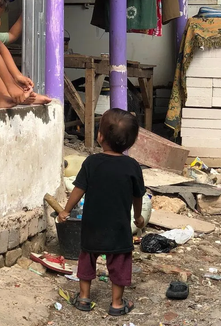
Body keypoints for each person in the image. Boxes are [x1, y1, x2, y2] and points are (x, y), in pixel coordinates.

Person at [58, 108, 146, 316]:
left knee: (87, 257)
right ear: (130, 143)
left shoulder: (91, 162)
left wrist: (66, 210)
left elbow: (78, 189)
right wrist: (138, 216)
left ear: (100, 136)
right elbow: (137, 195)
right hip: (119, 226)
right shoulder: (132, 166)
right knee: (120, 260)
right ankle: (117, 304)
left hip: (92, 224)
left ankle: (84, 298)